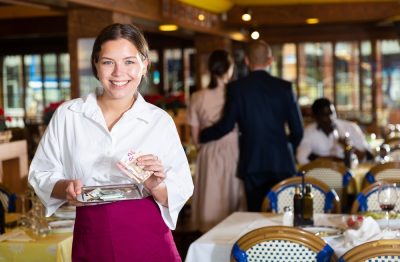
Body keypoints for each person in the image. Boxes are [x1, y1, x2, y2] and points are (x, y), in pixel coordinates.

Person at [28, 23, 193, 261]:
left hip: (148, 235)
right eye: (108, 62)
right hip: (93, 235)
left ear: (144, 65)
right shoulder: (69, 115)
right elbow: (41, 173)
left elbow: (182, 189)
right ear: (95, 64)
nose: (118, 73)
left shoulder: (159, 121)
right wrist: (65, 188)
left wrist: (155, 185)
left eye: (129, 61)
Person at [199, 40, 304, 212]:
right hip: (282, 162)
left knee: (255, 215)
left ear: (247, 60)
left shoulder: (237, 88)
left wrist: (203, 135)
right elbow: (298, 131)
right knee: (284, 215)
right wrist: (284, 146)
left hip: (252, 162)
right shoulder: (285, 88)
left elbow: (226, 126)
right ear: (270, 61)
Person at [187, 50, 245, 232]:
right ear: (229, 69)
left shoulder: (197, 97)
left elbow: (195, 139)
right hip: (234, 149)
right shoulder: (237, 94)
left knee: (210, 197)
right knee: (231, 197)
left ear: (210, 69)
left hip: (208, 152)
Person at [296, 97, 370, 165]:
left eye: (332, 113)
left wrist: (349, 147)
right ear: (315, 117)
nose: (330, 118)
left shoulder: (350, 127)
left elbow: (366, 157)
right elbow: (301, 158)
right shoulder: (309, 132)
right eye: (325, 115)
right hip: (322, 175)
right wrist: (332, 160)